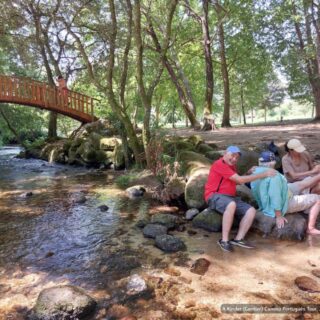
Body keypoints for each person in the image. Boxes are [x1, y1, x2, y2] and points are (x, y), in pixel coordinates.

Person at [204, 146, 277, 252]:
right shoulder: (219, 164)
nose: (234, 159)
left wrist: (248, 173)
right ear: (225, 153)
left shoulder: (231, 166)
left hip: (230, 198)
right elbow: (240, 180)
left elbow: (237, 181)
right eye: (232, 155)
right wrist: (263, 174)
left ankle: (238, 239)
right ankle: (224, 240)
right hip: (214, 196)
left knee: (251, 210)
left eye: (237, 157)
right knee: (231, 205)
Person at [251, 151, 320, 235]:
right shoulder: (274, 176)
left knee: (302, 184)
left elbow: (255, 192)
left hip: (280, 194)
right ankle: (311, 228)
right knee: (317, 199)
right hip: (285, 203)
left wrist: (262, 207)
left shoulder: (254, 173)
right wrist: (279, 216)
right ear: (272, 163)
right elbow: (275, 197)